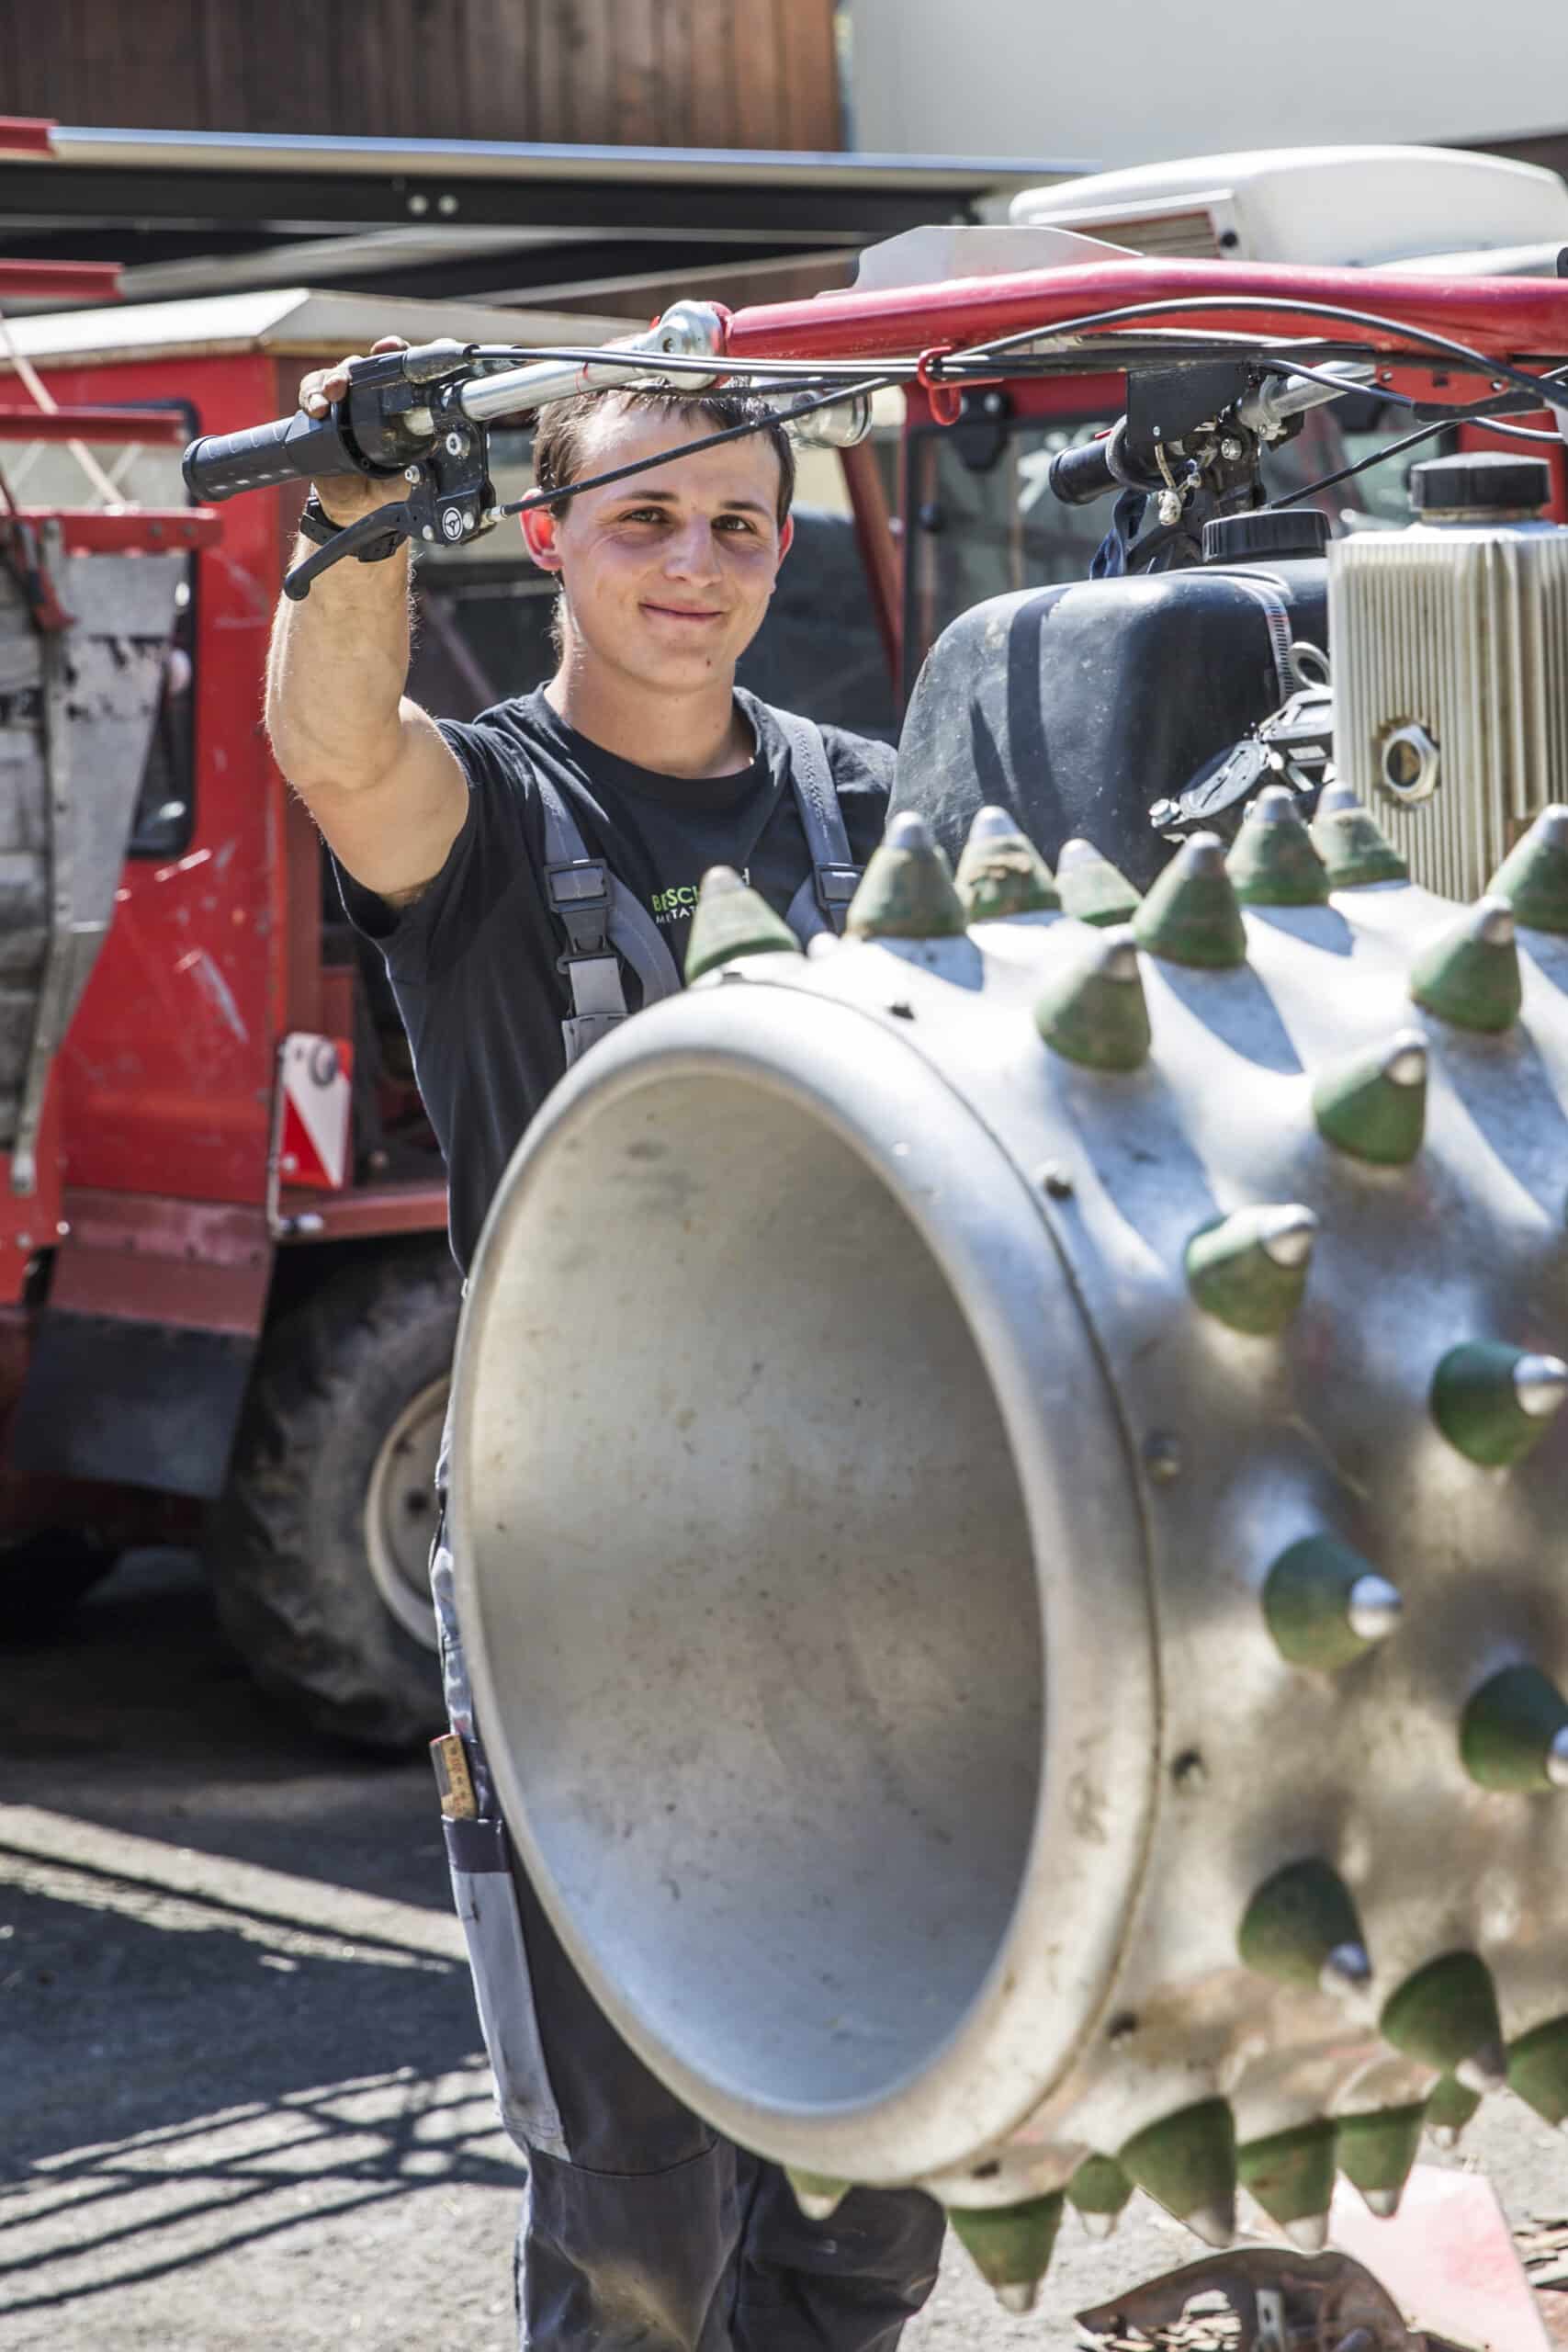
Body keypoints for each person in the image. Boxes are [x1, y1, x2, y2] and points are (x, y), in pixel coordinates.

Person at [264, 345, 945, 2352]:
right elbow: (331, 741)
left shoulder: (873, 809)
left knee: (862, 2196)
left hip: (875, 1581)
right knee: (637, 2229)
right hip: (589, 1608)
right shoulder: (479, 810)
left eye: (738, 524)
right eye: (642, 519)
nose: (692, 564)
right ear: (546, 537)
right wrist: (357, 498)